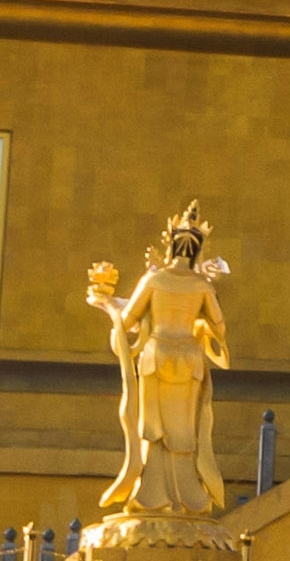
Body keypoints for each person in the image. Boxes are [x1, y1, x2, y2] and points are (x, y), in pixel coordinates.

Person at [88, 208, 234, 522]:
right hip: (189, 360)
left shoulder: (154, 279)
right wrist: (196, 327)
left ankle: (152, 495)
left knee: (153, 428)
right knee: (183, 429)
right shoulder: (202, 286)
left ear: (172, 247)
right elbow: (219, 327)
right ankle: (191, 497)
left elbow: (128, 320)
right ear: (196, 250)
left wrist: (110, 308)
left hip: (156, 356)